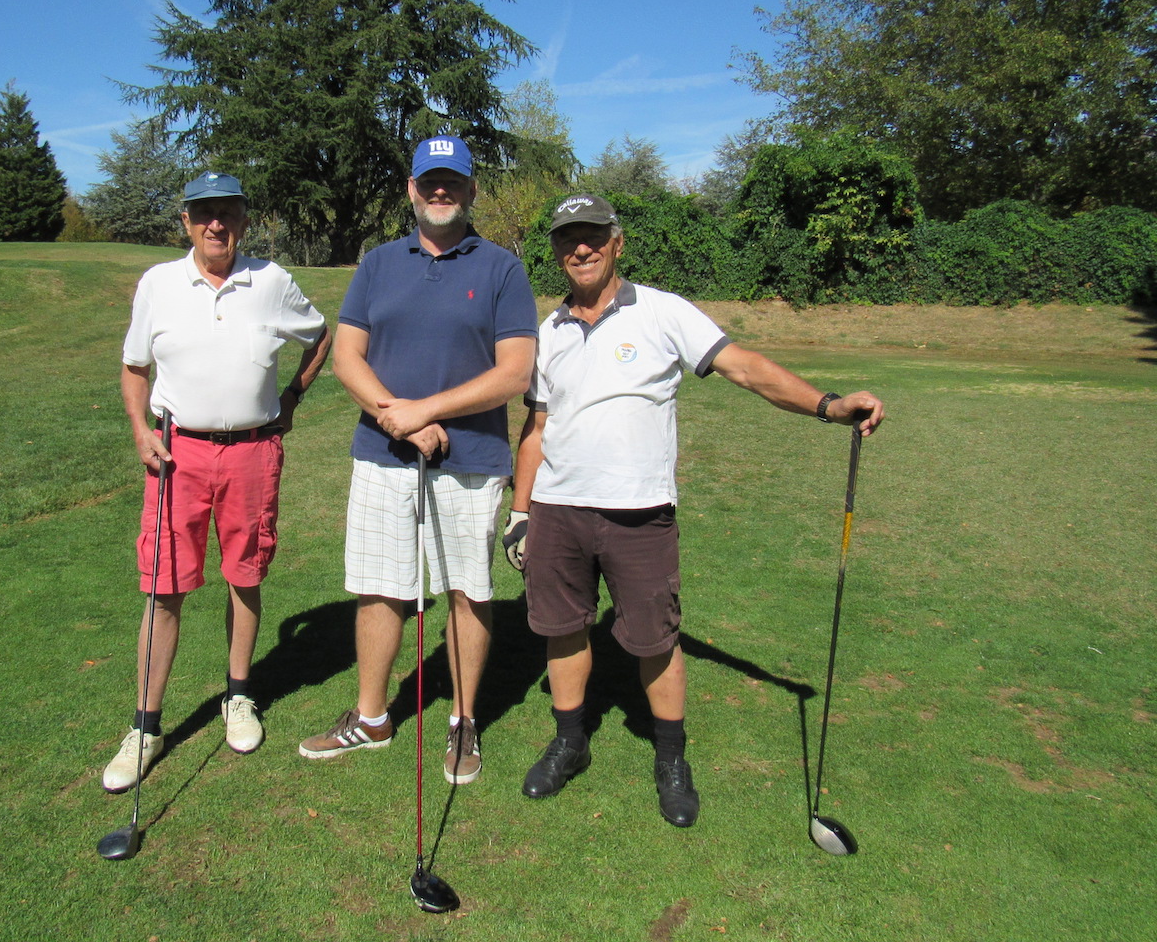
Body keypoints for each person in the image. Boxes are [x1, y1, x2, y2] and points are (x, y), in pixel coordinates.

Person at [504, 193, 885, 826]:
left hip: (639, 513)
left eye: (593, 234)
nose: (581, 248)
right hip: (558, 509)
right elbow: (538, 428)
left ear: (616, 241)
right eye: (569, 238)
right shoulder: (548, 332)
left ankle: (671, 759)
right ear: (555, 251)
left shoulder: (662, 311)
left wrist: (828, 404)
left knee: (655, 639)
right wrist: (520, 511)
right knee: (563, 629)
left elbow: (745, 368)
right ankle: (570, 742)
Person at [298, 136, 537, 785]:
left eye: (452, 182)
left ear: (471, 190)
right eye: (429, 181)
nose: (440, 191)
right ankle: (372, 718)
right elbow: (347, 355)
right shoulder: (377, 264)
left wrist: (427, 410)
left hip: (471, 460)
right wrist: (392, 415)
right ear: (411, 189)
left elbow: (515, 372)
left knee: (465, 588)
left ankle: (463, 722)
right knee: (379, 586)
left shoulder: (500, 269)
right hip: (382, 455)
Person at [102, 172, 331, 792]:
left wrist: (292, 397)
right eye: (203, 214)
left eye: (227, 213)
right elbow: (132, 367)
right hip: (177, 455)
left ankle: (238, 695)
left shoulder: (272, 281)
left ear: (243, 219)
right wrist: (138, 429)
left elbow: (318, 336)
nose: (215, 225)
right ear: (186, 221)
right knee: (163, 586)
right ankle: (146, 727)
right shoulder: (158, 285)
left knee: (245, 573)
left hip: (254, 450)